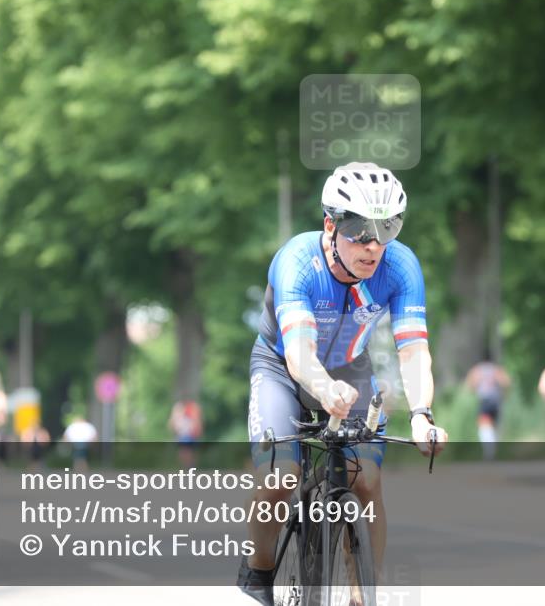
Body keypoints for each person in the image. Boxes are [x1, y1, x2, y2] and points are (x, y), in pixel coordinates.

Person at [239, 162, 448, 606]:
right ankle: (258, 574)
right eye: (360, 231)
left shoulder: (401, 267)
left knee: (367, 479)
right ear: (331, 225)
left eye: (387, 229)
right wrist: (323, 386)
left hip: (352, 368)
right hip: (282, 367)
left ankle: (362, 595)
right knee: (281, 476)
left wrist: (421, 414)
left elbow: (412, 351)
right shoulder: (298, 261)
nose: (374, 246)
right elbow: (298, 354)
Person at [465, 360, 511, 459]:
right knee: (494, 426)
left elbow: (470, 384)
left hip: (485, 400)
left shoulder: (477, 370)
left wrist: (476, 390)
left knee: (484, 426)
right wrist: (504, 394)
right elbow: (506, 382)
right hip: (496, 400)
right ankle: (493, 449)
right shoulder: (496, 369)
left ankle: (489, 451)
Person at [168, 398, 203, 468]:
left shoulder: (193, 407)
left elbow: (198, 425)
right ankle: (188, 468)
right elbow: (172, 425)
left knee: (188, 454)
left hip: (190, 436)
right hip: (183, 436)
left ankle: (190, 468)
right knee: (186, 454)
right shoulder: (178, 408)